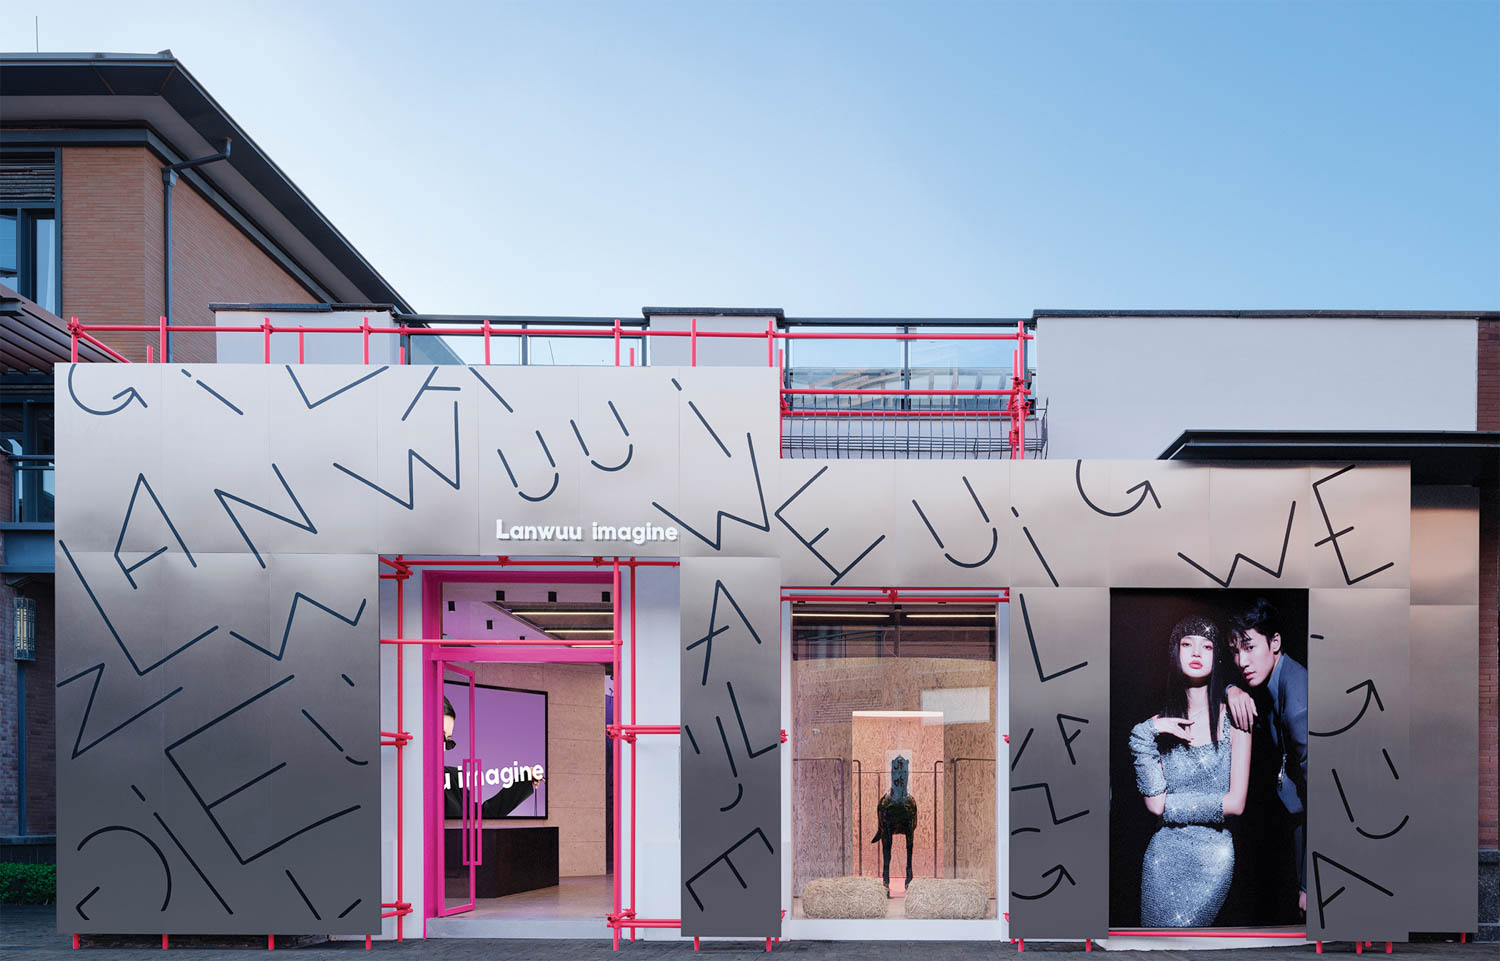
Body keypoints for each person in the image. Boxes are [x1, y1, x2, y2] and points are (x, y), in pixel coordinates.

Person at [1129, 614, 1252, 927]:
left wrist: (1168, 807)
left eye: (1207, 646)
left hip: (1214, 859)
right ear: (1175, 652)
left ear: (1217, 655)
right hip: (1163, 859)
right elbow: (1154, 803)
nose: (1196, 653)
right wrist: (1148, 730)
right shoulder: (1157, 726)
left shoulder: (1236, 717)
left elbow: (1236, 803)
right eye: (1187, 644)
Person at [1224, 597, 1308, 916]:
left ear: (1275, 642)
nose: (1241, 660)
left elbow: (1323, 798)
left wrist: (1308, 885)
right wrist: (1230, 690)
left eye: (1249, 647)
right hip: (1291, 822)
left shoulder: (1297, 700)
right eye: (1235, 650)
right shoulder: (1272, 681)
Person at [442, 696, 543, 819]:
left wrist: (523, 780)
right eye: (439, 736)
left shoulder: (453, 777)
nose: (443, 748)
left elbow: (482, 816)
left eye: (448, 741)